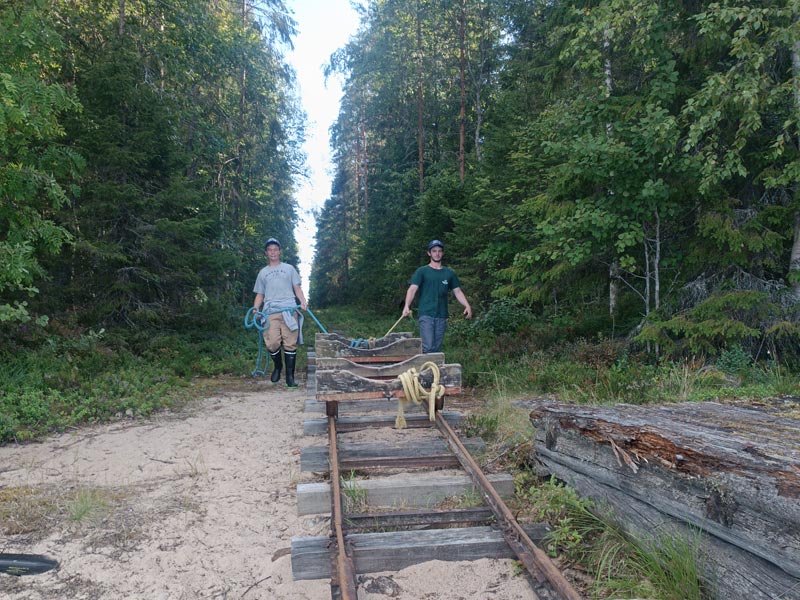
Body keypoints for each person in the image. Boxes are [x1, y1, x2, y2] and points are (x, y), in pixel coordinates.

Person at [252, 237, 307, 387]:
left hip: (289, 309)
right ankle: (278, 366)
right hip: (270, 311)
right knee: (272, 342)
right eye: (270, 250)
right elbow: (260, 295)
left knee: (290, 343)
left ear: (280, 251)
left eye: (275, 249)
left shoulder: (289, 268)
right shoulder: (263, 273)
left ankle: (290, 377)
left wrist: (302, 301)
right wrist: (256, 309)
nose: (273, 252)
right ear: (266, 253)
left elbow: (297, 288)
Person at [402, 239, 472, 353]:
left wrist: (467, 306)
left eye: (439, 251)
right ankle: (425, 369)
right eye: (434, 251)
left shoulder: (449, 273)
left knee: (436, 348)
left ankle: (433, 370)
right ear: (429, 253)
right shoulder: (422, 271)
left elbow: (458, 291)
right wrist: (406, 306)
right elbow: (412, 289)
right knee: (428, 346)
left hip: (441, 315)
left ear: (442, 253)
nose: (437, 253)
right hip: (426, 314)